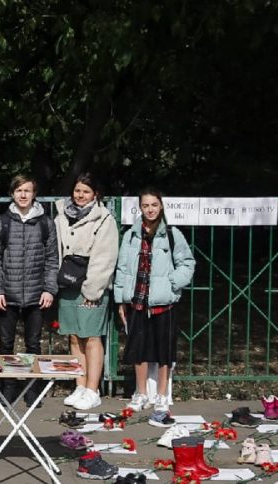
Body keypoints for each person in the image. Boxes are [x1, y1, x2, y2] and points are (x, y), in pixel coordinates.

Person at [113, 188, 195, 427]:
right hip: (136, 300)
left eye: (154, 205)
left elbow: (187, 263)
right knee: (138, 350)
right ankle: (141, 394)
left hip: (163, 302)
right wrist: (120, 299)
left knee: (163, 352)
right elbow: (122, 269)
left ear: (161, 206)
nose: (150, 209)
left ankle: (162, 396)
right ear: (140, 207)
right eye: (146, 205)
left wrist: (172, 284)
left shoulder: (172, 234)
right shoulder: (130, 235)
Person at [53, 173, 119, 411]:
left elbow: (105, 257)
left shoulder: (104, 220)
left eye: (86, 192)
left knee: (91, 336)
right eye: (78, 190)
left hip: (91, 283)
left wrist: (93, 290)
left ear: (96, 194)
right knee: (73, 335)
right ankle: (79, 385)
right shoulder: (62, 215)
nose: (80, 196)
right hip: (67, 283)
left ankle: (93, 389)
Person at [0, 174, 59, 406]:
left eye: (27, 190)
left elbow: (52, 259)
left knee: (33, 344)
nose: (22, 195)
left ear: (34, 194)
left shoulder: (45, 223)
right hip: (7, 295)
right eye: (18, 190)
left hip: (35, 294)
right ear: (12, 193)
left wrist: (49, 289)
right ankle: (7, 388)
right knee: (6, 345)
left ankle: (32, 389)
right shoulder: (2, 222)